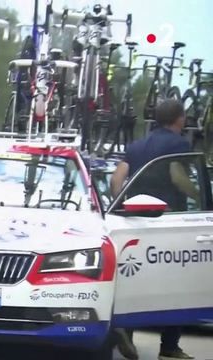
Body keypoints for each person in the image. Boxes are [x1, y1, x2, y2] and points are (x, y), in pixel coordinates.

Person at [110, 99, 195, 360]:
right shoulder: (179, 144)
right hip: (170, 223)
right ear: (179, 119)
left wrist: (124, 206)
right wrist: (201, 194)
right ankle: (169, 347)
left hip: (136, 222)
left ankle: (126, 328)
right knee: (178, 285)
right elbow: (178, 178)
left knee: (137, 279)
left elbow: (116, 178)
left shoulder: (136, 146)